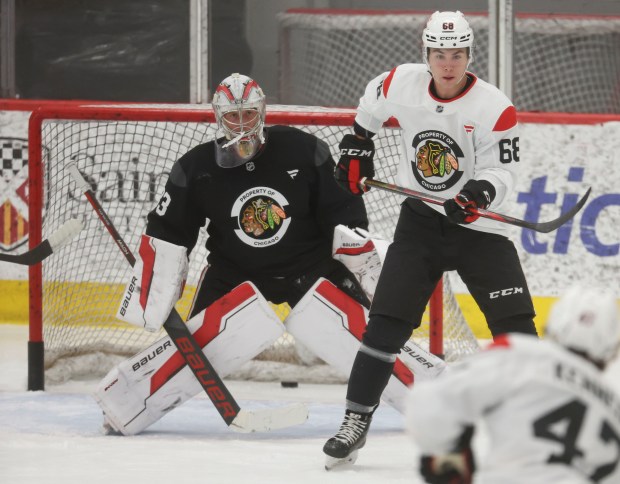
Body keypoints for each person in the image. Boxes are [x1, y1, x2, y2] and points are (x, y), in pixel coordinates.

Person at [94, 73, 444, 436]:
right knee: (195, 348)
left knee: (368, 338)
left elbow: (345, 214)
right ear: (218, 116)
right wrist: (154, 292)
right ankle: (125, 405)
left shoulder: (303, 149)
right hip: (235, 271)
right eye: (233, 115)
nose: (242, 123)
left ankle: (437, 403)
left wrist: (362, 266)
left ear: (262, 110)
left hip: (310, 265)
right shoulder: (196, 167)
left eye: (249, 113)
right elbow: (169, 233)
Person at [323, 10, 538, 467]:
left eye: (456, 53)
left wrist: (480, 191)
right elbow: (369, 109)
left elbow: (504, 171)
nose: (448, 63)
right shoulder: (398, 82)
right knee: (385, 325)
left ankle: (536, 423)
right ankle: (355, 421)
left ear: (468, 54)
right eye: (439, 54)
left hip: (479, 228)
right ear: (427, 53)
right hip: (421, 221)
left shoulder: (494, 106)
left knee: (516, 330)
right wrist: (359, 144)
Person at [407, 285, 620, 483]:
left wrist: (451, 452)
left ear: (553, 323)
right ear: (611, 348)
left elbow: (430, 405)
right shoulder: (614, 406)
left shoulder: (519, 352)